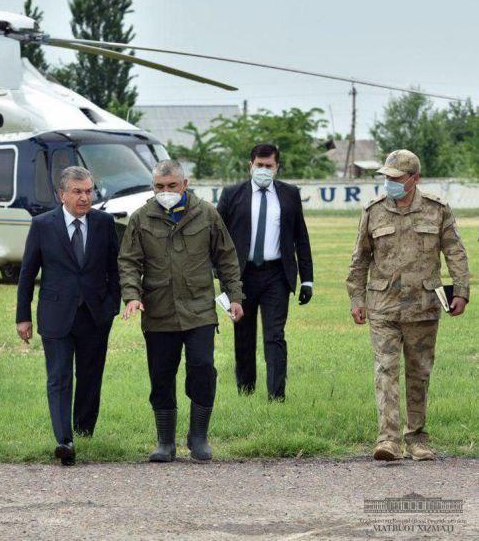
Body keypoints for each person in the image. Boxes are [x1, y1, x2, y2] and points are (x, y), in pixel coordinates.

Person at [347, 149, 469, 462]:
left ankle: (417, 438)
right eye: (386, 177)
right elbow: (360, 258)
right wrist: (357, 298)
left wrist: (462, 291)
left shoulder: (436, 210)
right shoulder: (373, 211)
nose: (389, 182)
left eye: (396, 178)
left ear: (414, 179)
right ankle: (388, 440)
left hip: (424, 305)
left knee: (419, 372)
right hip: (383, 306)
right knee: (385, 370)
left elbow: (455, 252)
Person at [119, 159, 244, 462]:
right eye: (160, 187)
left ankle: (198, 437)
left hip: (199, 308)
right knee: (161, 375)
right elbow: (129, 262)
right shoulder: (140, 219)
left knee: (202, 368)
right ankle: (165, 442)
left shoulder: (207, 214)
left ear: (185, 184)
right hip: (159, 310)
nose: (166, 191)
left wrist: (235, 295)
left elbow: (226, 257)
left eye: (172, 185)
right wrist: (132, 296)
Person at [16, 167, 121, 466]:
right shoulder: (42, 225)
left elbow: (115, 269)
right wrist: (22, 316)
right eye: (77, 191)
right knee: (59, 377)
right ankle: (64, 440)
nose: (84, 197)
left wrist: (112, 304)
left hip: (95, 314)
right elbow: (27, 273)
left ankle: (84, 431)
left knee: (90, 376)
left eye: (89, 191)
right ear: (62, 194)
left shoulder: (104, 223)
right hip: (56, 313)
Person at [216, 143, 314, 401]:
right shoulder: (231, 194)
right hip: (241, 277)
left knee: (275, 336)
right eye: (259, 165)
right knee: (243, 336)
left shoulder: (290, 194)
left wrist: (308, 280)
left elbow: (300, 237)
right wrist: (219, 275)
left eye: (269, 166)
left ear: (277, 167)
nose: (263, 170)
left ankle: (276, 396)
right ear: (250, 166)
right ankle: (245, 392)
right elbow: (216, 237)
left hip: (276, 276)